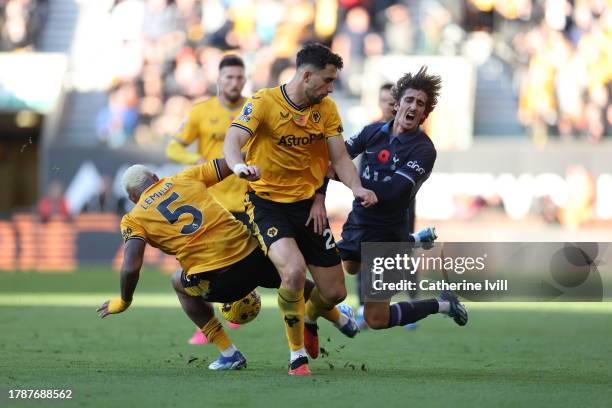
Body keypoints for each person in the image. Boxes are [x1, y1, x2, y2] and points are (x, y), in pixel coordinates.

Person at [96, 159, 354, 371]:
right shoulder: (186, 177)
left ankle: (229, 353)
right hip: (253, 257)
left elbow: (130, 266)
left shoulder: (133, 218)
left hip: (219, 282)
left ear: (132, 197)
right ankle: (339, 318)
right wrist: (250, 165)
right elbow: (228, 164)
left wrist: (124, 300)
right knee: (290, 277)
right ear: (155, 177)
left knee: (177, 281)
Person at [224, 43, 376, 375]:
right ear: (306, 76)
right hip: (267, 205)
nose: (331, 87)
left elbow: (339, 159)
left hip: (308, 206)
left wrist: (357, 187)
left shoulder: (328, 110)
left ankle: (309, 317)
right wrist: (238, 166)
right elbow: (233, 140)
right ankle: (296, 357)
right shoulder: (264, 103)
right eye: (327, 80)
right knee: (293, 272)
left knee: (334, 292)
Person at [333, 67, 468, 331]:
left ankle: (443, 304)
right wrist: (347, 178)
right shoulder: (371, 133)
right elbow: (336, 160)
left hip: (388, 235)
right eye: (409, 100)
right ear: (396, 104)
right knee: (348, 268)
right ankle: (415, 241)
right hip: (359, 220)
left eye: (420, 104)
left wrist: (349, 180)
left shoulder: (424, 149)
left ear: (424, 114)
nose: (414, 106)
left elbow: (393, 192)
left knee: (376, 319)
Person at [166, 54, 249, 345]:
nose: (234, 82)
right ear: (218, 80)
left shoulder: (254, 109)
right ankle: (210, 325)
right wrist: (196, 159)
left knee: (255, 266)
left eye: (239, 77)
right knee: (204, 268)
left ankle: (241, 309)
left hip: (247, 200)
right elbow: (173, 148)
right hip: (211, 204)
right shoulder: (201, 111)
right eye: (229, 77)